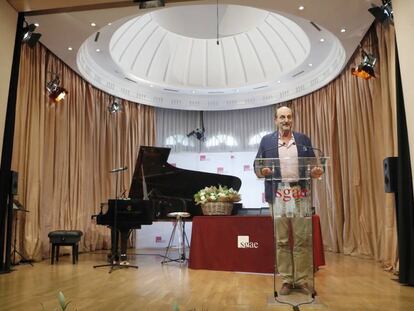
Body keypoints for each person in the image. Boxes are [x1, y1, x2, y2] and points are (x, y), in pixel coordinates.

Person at [255, 106, 323, 295]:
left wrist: (316, 171)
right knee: (282, 240)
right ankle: (286, 279)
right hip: (278, 194)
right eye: (282, 117)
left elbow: (313, 165)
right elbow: (257, 164)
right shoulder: (266, 141)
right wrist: (263, 171)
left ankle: (301, 280)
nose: (286, 120)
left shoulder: (303, 139)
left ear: (292, 119)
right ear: (275, 120)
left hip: (299, 192)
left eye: (289, 116)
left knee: (302, 239)